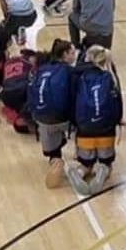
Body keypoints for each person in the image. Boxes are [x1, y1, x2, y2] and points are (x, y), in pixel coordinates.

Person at [66, 46, 122, 195]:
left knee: (86, 164)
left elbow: (71, 103)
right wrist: (116, 122)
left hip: (85, 129)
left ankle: (80, 172)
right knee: (106, 162)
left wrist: (75, 124)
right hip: (106, 131)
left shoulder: (77, 75)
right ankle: (103, 169)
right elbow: (118, 105)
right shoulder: (110, 76)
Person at [28, 39, 78, 188]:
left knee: (53, 151)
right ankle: (83, 158)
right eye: (72, 53)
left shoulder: (41, 69)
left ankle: (55, 160)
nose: (74, 55)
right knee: (83, 122)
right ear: (64, 55)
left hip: (41, 118)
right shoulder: (69, 71)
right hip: (63, 118)